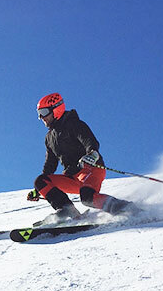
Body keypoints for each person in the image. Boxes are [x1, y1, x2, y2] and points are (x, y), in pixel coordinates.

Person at [27, 92, 136, 221]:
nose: (41, 117)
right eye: (39, 114)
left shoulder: (74, 124)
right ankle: (67, 210)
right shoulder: (49, 138)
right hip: (72, 176)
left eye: (44, 112)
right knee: (40, 181)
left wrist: (92, 153)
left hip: (91, 168)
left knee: (87, 197)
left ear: (56, 109)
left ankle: (127, 208)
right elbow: (50, 164)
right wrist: (38, 189)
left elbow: (89, 141)